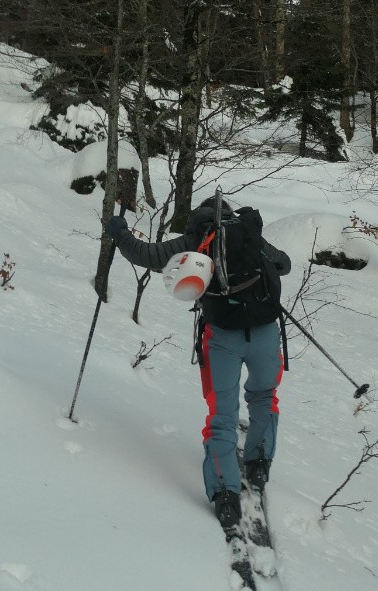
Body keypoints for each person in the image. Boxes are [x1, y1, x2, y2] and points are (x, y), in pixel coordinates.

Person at [105, 197, 290, 535]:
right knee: (264, 395)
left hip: (222, 338)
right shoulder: (249, 234)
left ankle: (224, 496)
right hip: (265, 333)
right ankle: (259, 463)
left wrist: (118, 232)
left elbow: (143, 255)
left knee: (222, 416)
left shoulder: (195, 240)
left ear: (198, 219)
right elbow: (284, 264)